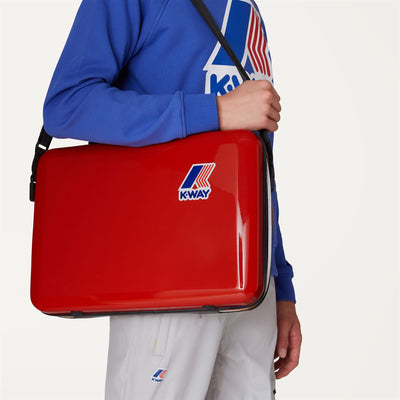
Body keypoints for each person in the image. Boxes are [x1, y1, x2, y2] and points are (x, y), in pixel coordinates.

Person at [43, 0, 302, 398]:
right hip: (168, 278)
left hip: (251, 287)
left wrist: (281, 286)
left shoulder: (248, 9)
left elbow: (257, 163)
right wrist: (215, 110)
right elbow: (67, 104)